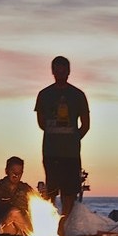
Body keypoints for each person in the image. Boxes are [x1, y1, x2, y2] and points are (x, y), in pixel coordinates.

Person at [34, 56, 90, 216]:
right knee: (51, 190)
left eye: (63, 70)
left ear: (69, 71)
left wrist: (73, 138)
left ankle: (65, 223)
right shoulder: (44, 94)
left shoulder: (78, 95)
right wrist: (56, 133)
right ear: (52, 71)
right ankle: (52, 221)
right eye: (57, 70)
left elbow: (86, 125)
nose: (60, 73)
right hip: (51, 151)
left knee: (69, 191)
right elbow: (41, 122)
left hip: (71, 153)